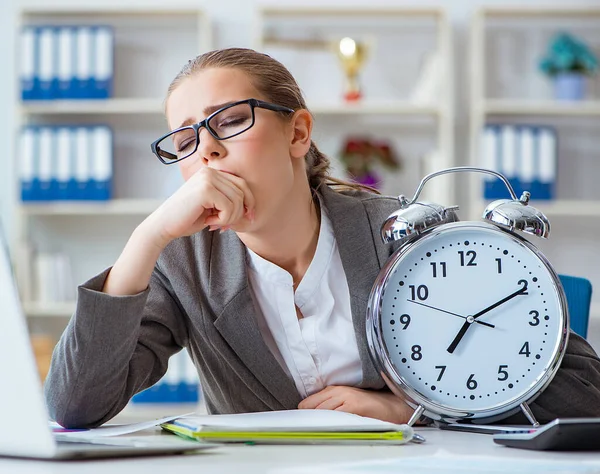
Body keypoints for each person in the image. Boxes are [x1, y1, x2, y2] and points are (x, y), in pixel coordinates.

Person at [45, 48, 600, 429]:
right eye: (185, 139)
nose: (207, 150)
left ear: (298, 131)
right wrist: (147, 236)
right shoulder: (181, 263)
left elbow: (583, 394)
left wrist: (413, 406)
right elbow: (74, 407)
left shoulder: (416, 237)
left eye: (230, 120)